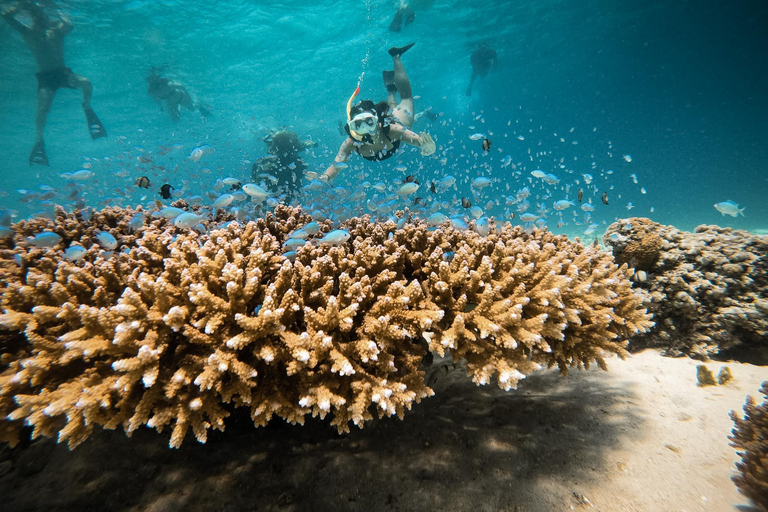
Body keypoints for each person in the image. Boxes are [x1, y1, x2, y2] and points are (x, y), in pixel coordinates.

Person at [2, 0, 106, 166]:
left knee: (86, 82)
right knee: (43, 107)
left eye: (43, 15)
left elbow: (69, 25)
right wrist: (23, 5)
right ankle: (39, 139)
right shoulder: (26, 32)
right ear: (33, 17)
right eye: (38, 15)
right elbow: (6, 16)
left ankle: (86, 106)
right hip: (45, 77)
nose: (42, 18)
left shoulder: (55, 31)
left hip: (63, 73)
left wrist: (60, 12)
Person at [321, 43, 436, 182]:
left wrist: (427, 146)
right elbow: (336, 165)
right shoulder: (350, 143)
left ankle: (396, 56)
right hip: (385, 122)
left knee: (406, 98)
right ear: (351, 126)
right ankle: (391, 90)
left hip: (397, 118)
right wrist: (325, 177)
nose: (365, 130)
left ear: (377, 121)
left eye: (369, 123)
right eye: (358, 125)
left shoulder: (393, 129)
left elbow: (419, 141)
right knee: (399, 102)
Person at [252, 129, 316, 205]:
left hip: (271, 194)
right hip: (288, 193)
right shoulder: (295, 158)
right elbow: (303, 145)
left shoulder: (265, 164)